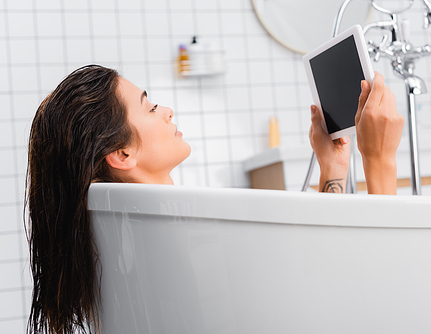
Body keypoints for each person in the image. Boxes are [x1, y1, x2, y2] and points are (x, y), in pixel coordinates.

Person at [26, 65, 402, 334]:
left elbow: (319, 267)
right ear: (122, 155)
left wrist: (333, 168)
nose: (167, 109)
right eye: (150, 107)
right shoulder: (199, 243)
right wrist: (379, 159)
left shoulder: (117, 241)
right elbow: (365, 290)